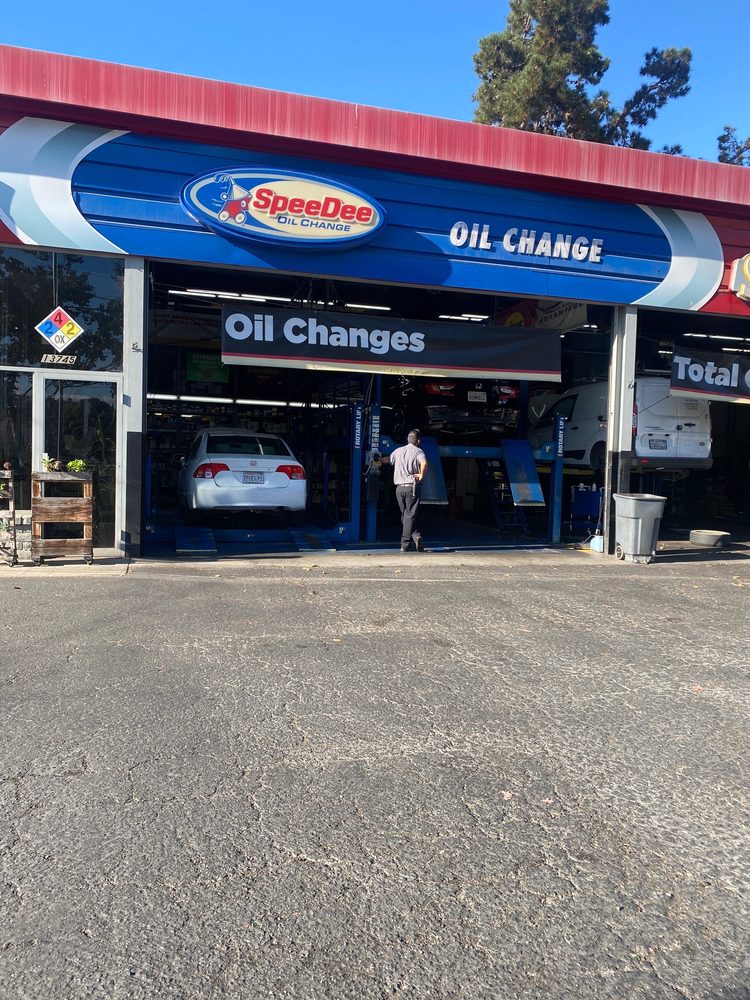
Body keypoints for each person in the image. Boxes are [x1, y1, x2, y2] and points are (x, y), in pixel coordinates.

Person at [381, 429, 428, 552]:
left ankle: (417, 537)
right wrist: (421, 476)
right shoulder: (418, 451)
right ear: (418, 441)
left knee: (405, 516)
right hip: (411, 487)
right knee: (409, 516)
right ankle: (405, 544)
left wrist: (377, 459)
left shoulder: (398, 451)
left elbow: (387, 460)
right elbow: (424, 463)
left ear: (408, 439)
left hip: (399, 489)